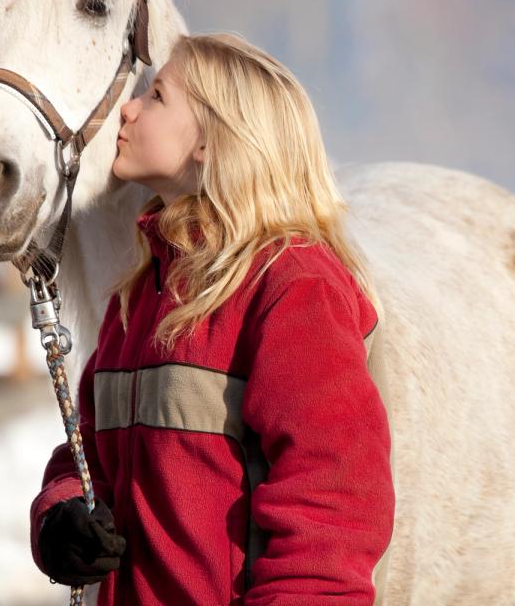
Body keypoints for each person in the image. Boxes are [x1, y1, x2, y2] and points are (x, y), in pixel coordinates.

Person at [28, 32, 394, 605]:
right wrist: (64, 519)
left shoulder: (295, 288)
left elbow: (332, 508)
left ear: (209, 142)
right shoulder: (138, 296)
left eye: (157, 96)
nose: (129, 107)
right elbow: (88, 458)